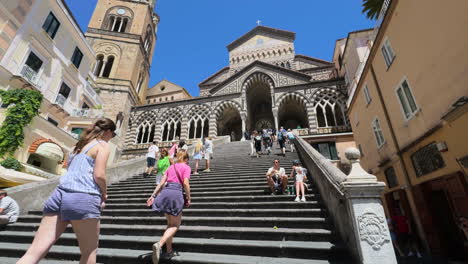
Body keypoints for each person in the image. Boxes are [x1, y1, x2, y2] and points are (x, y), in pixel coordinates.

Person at [17, 118, 116, 264]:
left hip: (59, 194)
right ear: (107, 131)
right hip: (84, 196)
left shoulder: (78, 146)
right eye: (113, 134)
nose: (111, 138)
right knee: (89, 251)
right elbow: (99, 175)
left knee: (34, 251)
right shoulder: (102, 145)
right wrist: (104, 193)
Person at [147, 151, 191, 263]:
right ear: (186, 159)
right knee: (175, 225)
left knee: (170, 224)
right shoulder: (186, 167)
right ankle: (160, 244)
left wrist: (153, 195)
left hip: (165, 193)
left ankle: (169, 251)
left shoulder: (171, 167)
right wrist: (189, 198)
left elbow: (161, 183)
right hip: (176, 193)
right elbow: (185, 183)